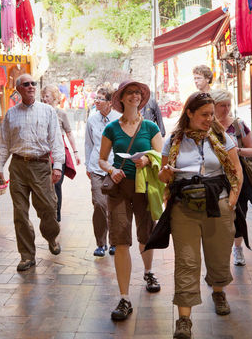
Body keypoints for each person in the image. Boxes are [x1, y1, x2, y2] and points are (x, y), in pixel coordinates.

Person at [158, 92, 242, 338]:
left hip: (219, 205)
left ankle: (218, 291)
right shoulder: (173, 140)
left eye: (211, 114)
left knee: (218, 256)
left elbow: (236, 169)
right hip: (184, 208)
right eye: (204, 114)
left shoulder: (220, 137)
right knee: (186, 261)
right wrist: (165, 172)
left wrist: (233, 200)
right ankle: (184, 320)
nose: (209, 119)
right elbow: (164, 177)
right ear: (189, 113)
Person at [99, 80, 163, 321]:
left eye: (138, 93)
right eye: (130, 93)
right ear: (122, 99)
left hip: (144, 186)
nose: (135, 96)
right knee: (121, 238)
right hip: (119, 186)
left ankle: (148, 272)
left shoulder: (150, 127)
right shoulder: (112, 129)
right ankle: (124, 298)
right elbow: (102, 159)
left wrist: (147, 159)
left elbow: (161, 156)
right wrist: (111, 170)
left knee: (146, 234)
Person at [0, 74, 64, 272]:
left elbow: (56, 140)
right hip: (18, 167)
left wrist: (58, 165)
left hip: (41, 165)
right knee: (20, 213)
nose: (31, 87)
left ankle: (51, 237)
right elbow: (4, 143)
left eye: (33, 83)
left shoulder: (48, 111)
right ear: (18, 89)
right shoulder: (11, 114)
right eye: (26, 84)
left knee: (49, 208)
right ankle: (27, 255)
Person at [212, 89, 252, 267]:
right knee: (216, 213)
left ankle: (238, 248)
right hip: (214, 178)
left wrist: (235, 151)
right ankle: (217, 250)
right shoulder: (207, 125)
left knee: (239, 213)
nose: (225, 109)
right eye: (221, 106)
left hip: (238, 176)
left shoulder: (238, 125)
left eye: (228, 105)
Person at [84, 87, 120, 257]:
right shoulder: (92, 120)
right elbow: (89, 144)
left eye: (101, 99)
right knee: (99, 204)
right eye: (96, 98)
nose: (96, 101)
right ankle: (100, 243)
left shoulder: (119, 119)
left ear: (110, 102)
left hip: (114, 168)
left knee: (114, 206)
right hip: (97, 168)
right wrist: (87, 166)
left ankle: (114, 241)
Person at [41, 84, 81, 222]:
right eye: (43, 96)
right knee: (45, 185)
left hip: (59, 151)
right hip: (44, 153)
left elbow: (69, 134)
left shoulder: (61, 113)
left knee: (57, 183)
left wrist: (75, 152)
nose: (44, 99)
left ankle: (56, 215)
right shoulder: (40, 112)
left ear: (54, 97)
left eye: (47, 96)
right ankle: (48, 212)